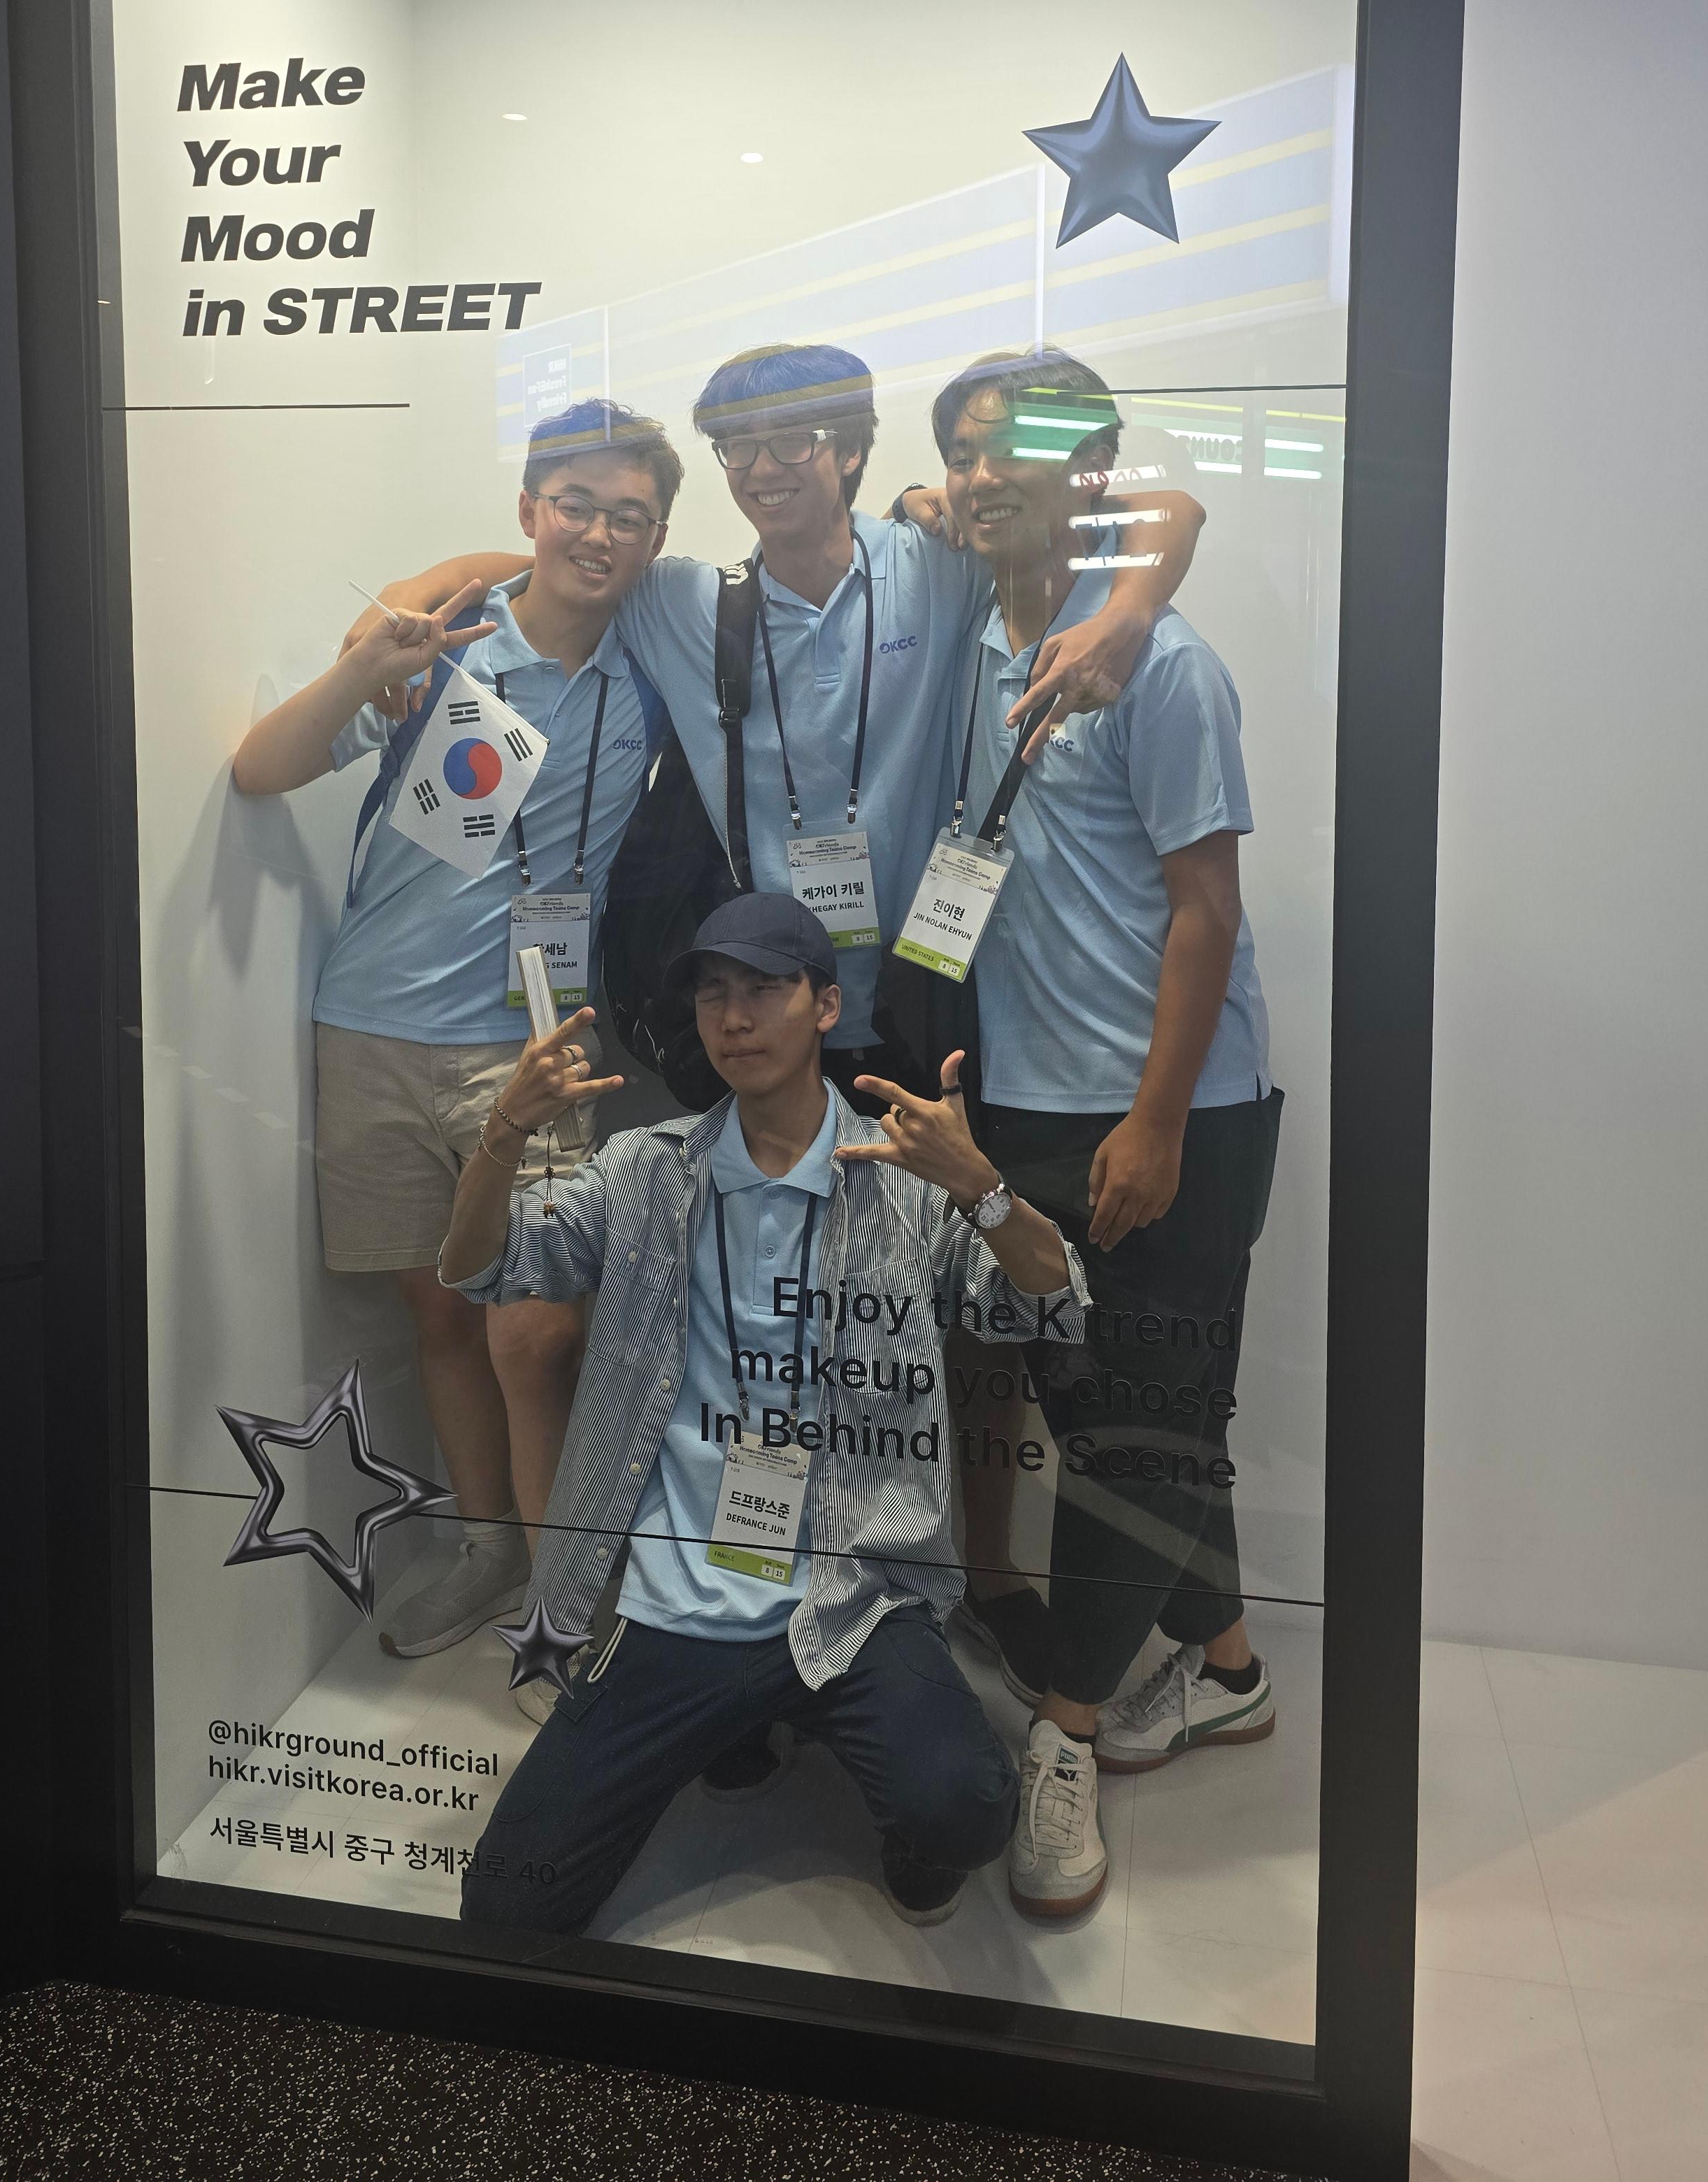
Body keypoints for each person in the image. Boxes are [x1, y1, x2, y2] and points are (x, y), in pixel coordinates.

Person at [434, 890, 1088, 1935]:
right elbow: (480, 1268)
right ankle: (738, 1726)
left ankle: (860, 1790)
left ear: (826, 1006)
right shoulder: (647, 1169)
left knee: (965, 1806)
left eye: (764, 989)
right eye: (712, 994)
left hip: (854, 1591)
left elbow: (1051, 1304)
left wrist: (982, 1188)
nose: (733, 1017)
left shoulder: (903, 1176)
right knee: (506, 1906)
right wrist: (506, 1131)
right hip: (682, 1599)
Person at [347, 343, 1205, 1091]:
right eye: (738, 445)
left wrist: (1128, 614)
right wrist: (413, 591)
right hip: (761, 1018)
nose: (762, 468)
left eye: (793, 439)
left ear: (852, 449)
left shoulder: (936, 562)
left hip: (921, 1004)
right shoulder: (684, 602)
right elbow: (568, 558)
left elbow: (1167, 509)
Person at [231, 399, 679, 1666]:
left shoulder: (655, 666)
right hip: (368, 1029)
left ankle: (567, 1600)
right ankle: (490, 1551)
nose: (600, 533)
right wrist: (369, 658)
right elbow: (262, 769)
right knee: (439, 1319)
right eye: (575, 505)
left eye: (630, 516)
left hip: (530, 1046)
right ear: (532, 508)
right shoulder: (444, 656)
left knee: (536, 1328)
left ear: (656, 539)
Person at [920, 348, 1281, 1922]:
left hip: (1168, 1112)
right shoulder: (971, 632)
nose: (986, 469)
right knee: (1132, 1413)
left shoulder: (1166, 664)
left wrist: (1156, 1120)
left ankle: (1065, 1733)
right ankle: (1230, 1669)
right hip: (1028, 1099)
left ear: (1096, 465)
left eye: (1021, 444)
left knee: (1135, 1427)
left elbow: (1209, 914)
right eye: (967, 447)